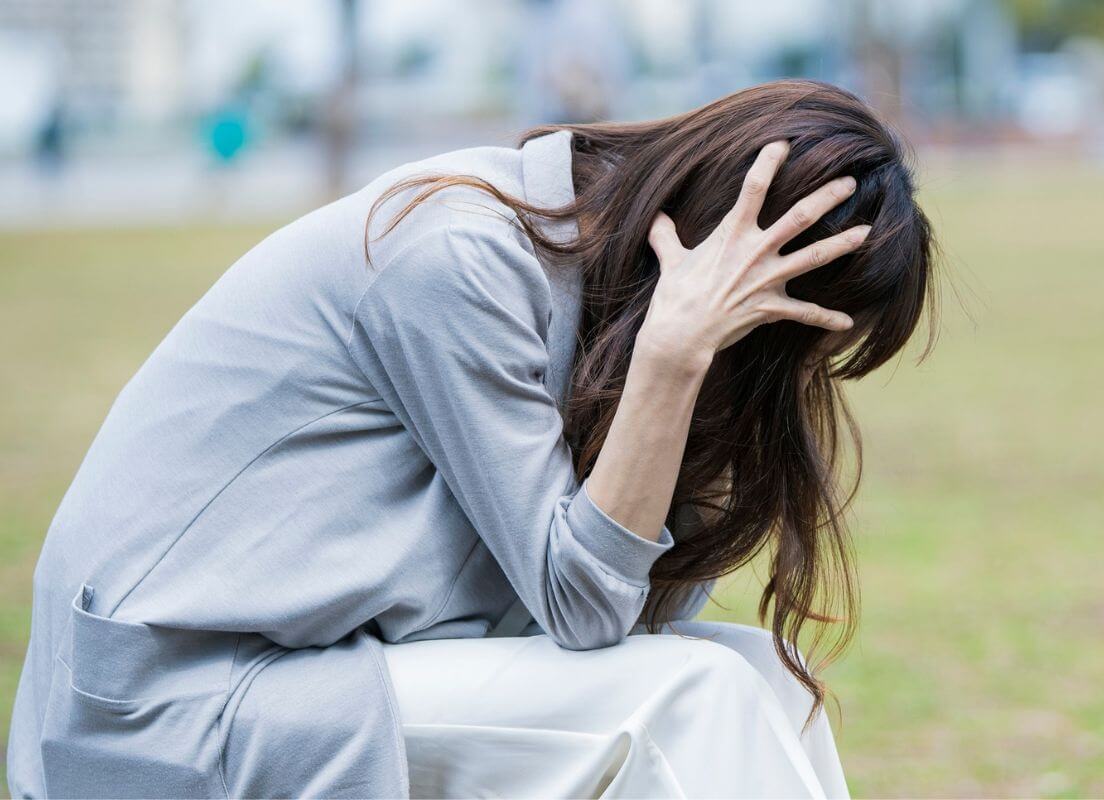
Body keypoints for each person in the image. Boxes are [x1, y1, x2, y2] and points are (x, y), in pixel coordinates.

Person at [7, 79, 936, 799]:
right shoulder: (462, 252)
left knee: (760, 672)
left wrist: (703, 384)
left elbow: (652, 612)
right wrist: (674, 357)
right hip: (171, 713)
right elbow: (584, 613)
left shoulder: (605, 306)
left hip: (316, 673)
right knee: (691, 699)